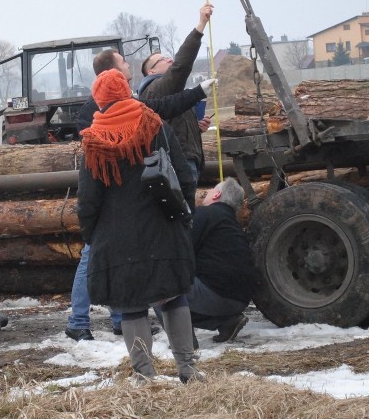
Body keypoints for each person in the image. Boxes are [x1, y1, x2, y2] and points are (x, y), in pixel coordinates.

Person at [65, 48, 216, 341]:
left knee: (123, 287)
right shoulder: (113, 116)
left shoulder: (132, 109)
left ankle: (118, 323)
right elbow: (95, 177)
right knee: (95, 260)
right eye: (123, 61)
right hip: (122, 211)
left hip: (117, 216)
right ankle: (81, 320)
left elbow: (165, 106)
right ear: (115, 74)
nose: (127, 64)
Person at [77, 68, 202, 383]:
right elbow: (184, 176)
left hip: (118, 236)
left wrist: (91, 234)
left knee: (131, 306)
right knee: (173, 296)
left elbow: (88, 198)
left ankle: (145, 377)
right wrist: (184, 214)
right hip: (163, 225)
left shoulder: (94, 139)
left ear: (101, 100)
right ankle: (188, 370)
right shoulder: (153, 123)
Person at [139, 3, 214, 183]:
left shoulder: (167, 89)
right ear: (151, 71)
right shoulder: (154, 89)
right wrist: (200, 26)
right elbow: (181, 66)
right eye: (163, 59)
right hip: (178, 162)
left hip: (184, 160)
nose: (170, 59)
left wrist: (197, 128)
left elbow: (174, 126)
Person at [188, 177, 257, 342]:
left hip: (216, 296)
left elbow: (180, 251)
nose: (207, 192)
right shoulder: (232, 223)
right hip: (240, 301)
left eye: (210, 190)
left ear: (217, 194)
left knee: (161, 288)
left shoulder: (204, 215)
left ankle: (183, 344)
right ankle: (227, 323)